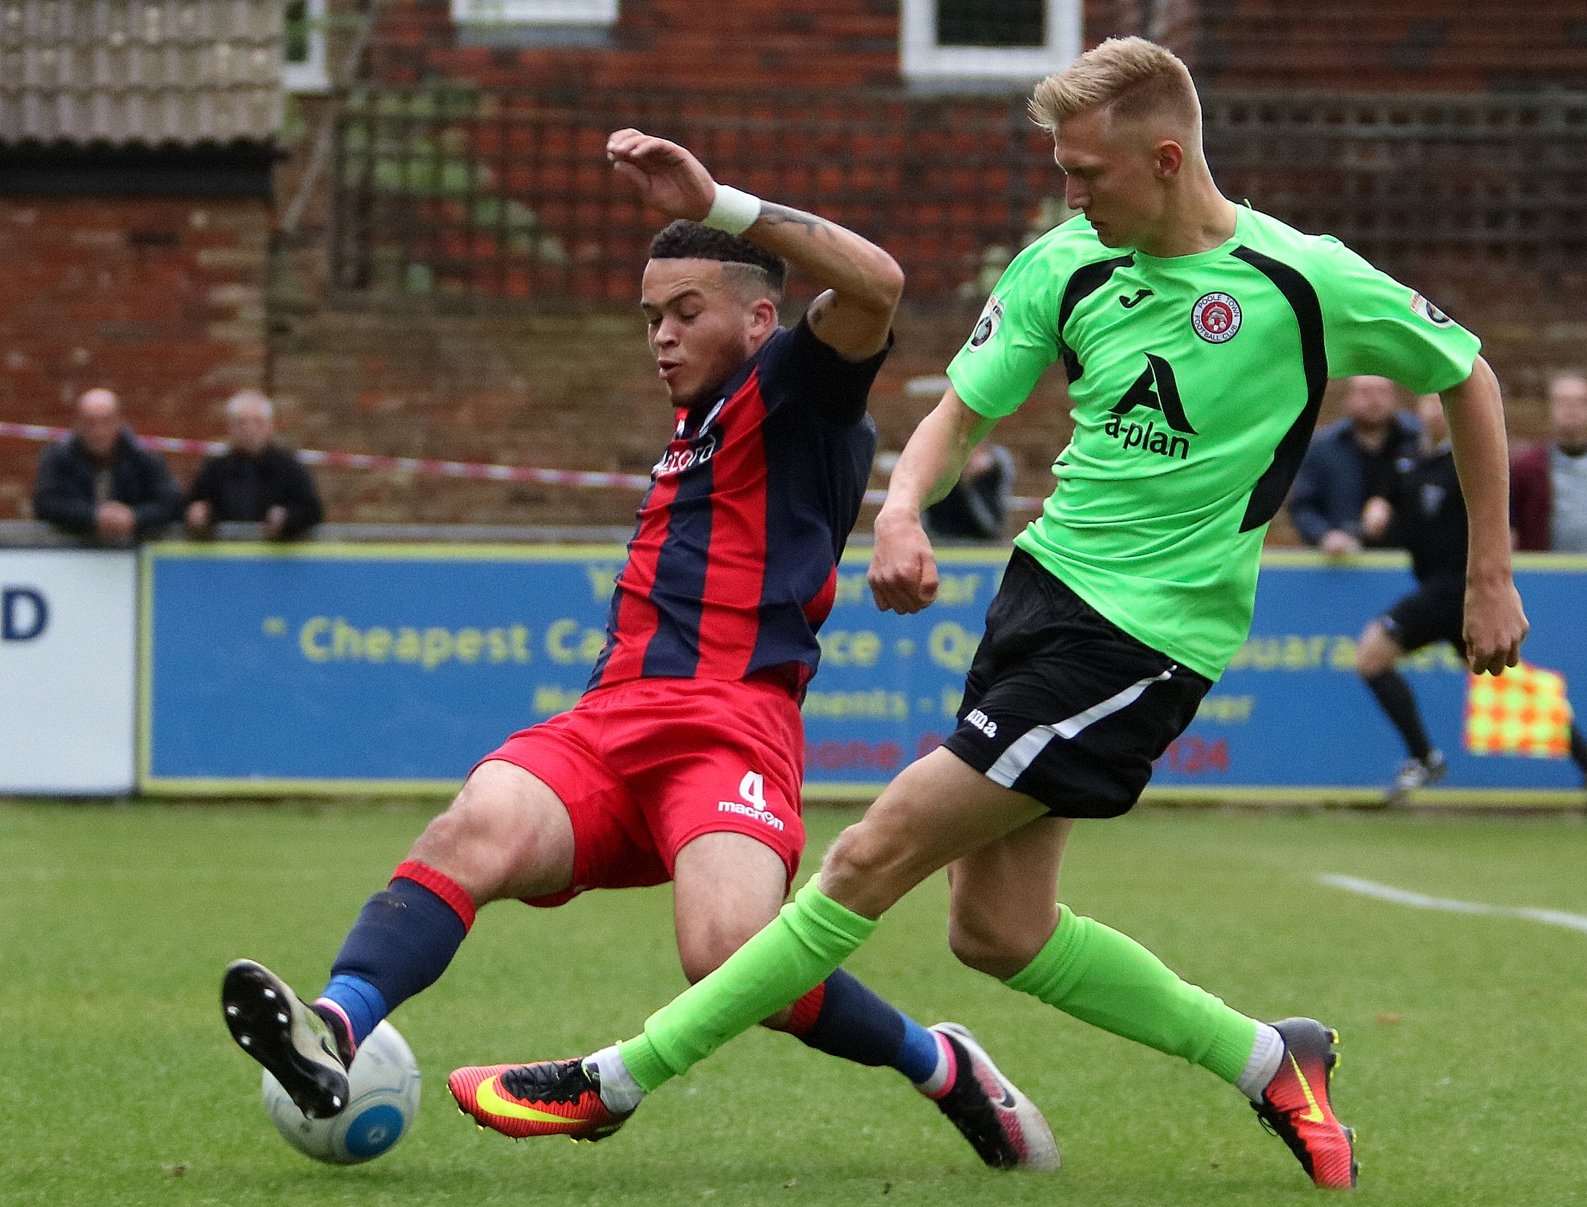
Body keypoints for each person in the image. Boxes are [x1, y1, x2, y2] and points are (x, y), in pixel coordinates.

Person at [464, 37, 1529, 1194]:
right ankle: (1272, 1058)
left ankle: (610, 1082)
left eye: (1089, 174)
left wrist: (1488, 573)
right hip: (1038, 599)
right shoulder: (1067, 261)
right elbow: (960, 411)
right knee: (1000, 931)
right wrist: (908, 506)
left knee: (869, 855)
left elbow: (1464, 371)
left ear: (1167, 159)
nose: (1070, 195)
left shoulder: (1301, 279)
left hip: (1144, 640)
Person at [219, 128, 1059, 1172]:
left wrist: (727, 202)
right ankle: (334, 1030)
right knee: (469, 828)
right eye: (651, 316)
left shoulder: (797, 388)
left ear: (762, 316)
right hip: (608, 723)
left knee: (727, 958)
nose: (660, 335)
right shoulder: (693, 424)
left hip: (729, 730)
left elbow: (880, 283)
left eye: (686, 311)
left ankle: (938, 1061)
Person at [1356, 394, 1587, 800]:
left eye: (1440, 402)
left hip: (1456, 587)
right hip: (1435, 588)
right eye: (1426, 401)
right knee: (1511, 685)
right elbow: (1389, 496)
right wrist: (1377, 509)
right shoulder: (1409, 457)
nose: (1432, 409)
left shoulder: (1468, 460)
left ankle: (1424, 757)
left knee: (1370, 656)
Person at [1287, 375, 1421, 555]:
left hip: (1410, 560)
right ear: (1347, 399)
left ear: (1395, 398)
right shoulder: (1323, 447)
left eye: (1382, 392)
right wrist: (1324, 535)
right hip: (1344, 562)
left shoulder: (1418, 443)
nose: (1374, 400)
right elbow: (1302, 505)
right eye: (1365, 392)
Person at [31, 388, 182, 544]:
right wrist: (93, 516)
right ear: (78, 423)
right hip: (71, 552)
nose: (99, 431)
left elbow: (170, 503)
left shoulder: (145, 457)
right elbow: (46, 503)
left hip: (135, 552)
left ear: (119, 421)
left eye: (106, 421)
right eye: (90, 423)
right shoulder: (59, 456)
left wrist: (134, 517)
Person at [185, 389, 324, 540]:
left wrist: (288, 518)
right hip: (224, 558)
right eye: (241, 422)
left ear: (270, 426)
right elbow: (191, 504)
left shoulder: (289, 466)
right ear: (230, 427)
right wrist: (200, 514)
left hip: (276, 560)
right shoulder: (215, 467)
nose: (250, 430)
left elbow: (313, 511)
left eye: (258, 422)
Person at [1510, 371, 1587, 553]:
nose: (1571, 410)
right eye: (1563, 402)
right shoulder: (1526, 468)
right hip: (1545, 573)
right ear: (1550, 408)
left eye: (1579, 402)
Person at [923, 442, 1016, 541]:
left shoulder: (995, 462)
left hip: (982, 539)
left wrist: (970, 482)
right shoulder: (936, 461)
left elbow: (992, 518)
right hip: (943, 536)